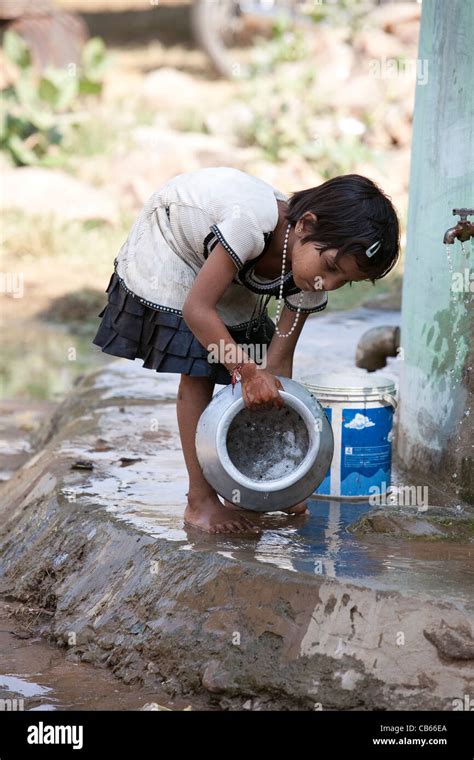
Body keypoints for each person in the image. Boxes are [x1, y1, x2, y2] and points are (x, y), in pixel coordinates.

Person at [93, 166, 400, 534]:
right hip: (176, 236)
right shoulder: (249, 223)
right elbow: (197, 309)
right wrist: (247, 372)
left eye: (345, 280)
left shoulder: (311, 273)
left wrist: (282, 481)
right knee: (200, 365)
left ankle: (246, 487)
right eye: (331, 266)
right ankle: (200, 501)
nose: (328, 282)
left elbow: (279, 359)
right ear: (305, 225)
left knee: (255, 366)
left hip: (236, 258)